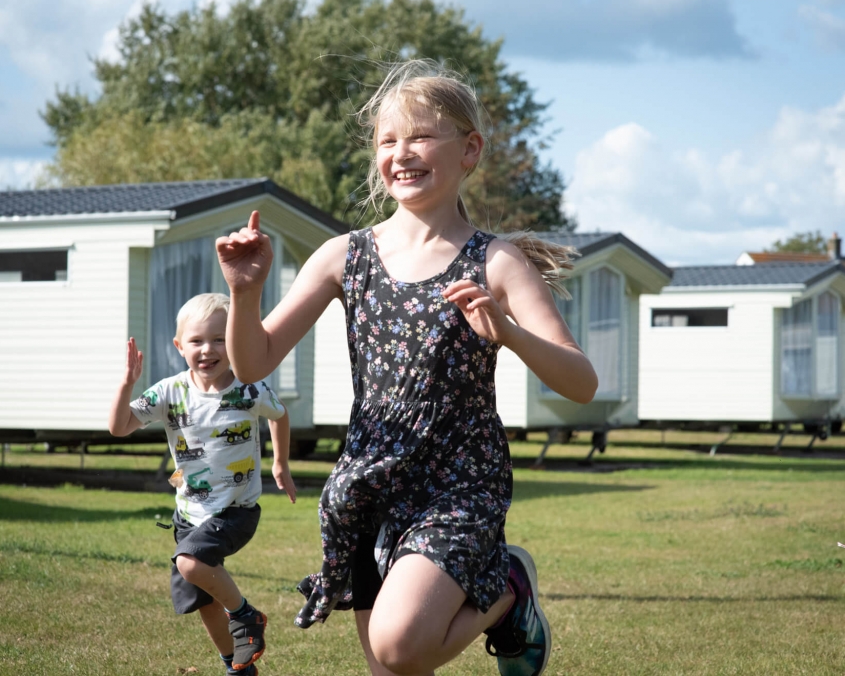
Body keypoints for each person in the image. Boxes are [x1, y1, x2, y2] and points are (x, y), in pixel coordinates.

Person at [216, 59, 598, 676]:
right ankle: (501, 595)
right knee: (388, 669)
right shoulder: (345, 255)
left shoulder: (495, 262)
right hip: (370, 479)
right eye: (387, 141)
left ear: (469, 150)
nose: (402, 152)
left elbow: (581, 383)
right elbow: (253, 359)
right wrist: (243, 293)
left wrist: (510, 333)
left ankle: (508, 590)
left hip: (458, 483)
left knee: (401, 647)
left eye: (421, 136)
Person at [108, 292, 296, 676]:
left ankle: (247, 616)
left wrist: (280, 463)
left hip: (236, 511)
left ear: (234, 342)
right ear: (179, 346)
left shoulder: (248, 389)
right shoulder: (169, 392)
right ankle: (237, 666)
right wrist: (127, 383)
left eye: (219, 339)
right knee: (205, 600)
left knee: (191, 563)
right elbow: (119, 427)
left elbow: (279, 415)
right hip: (189, 513)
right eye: (196, 340)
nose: (207, 349)